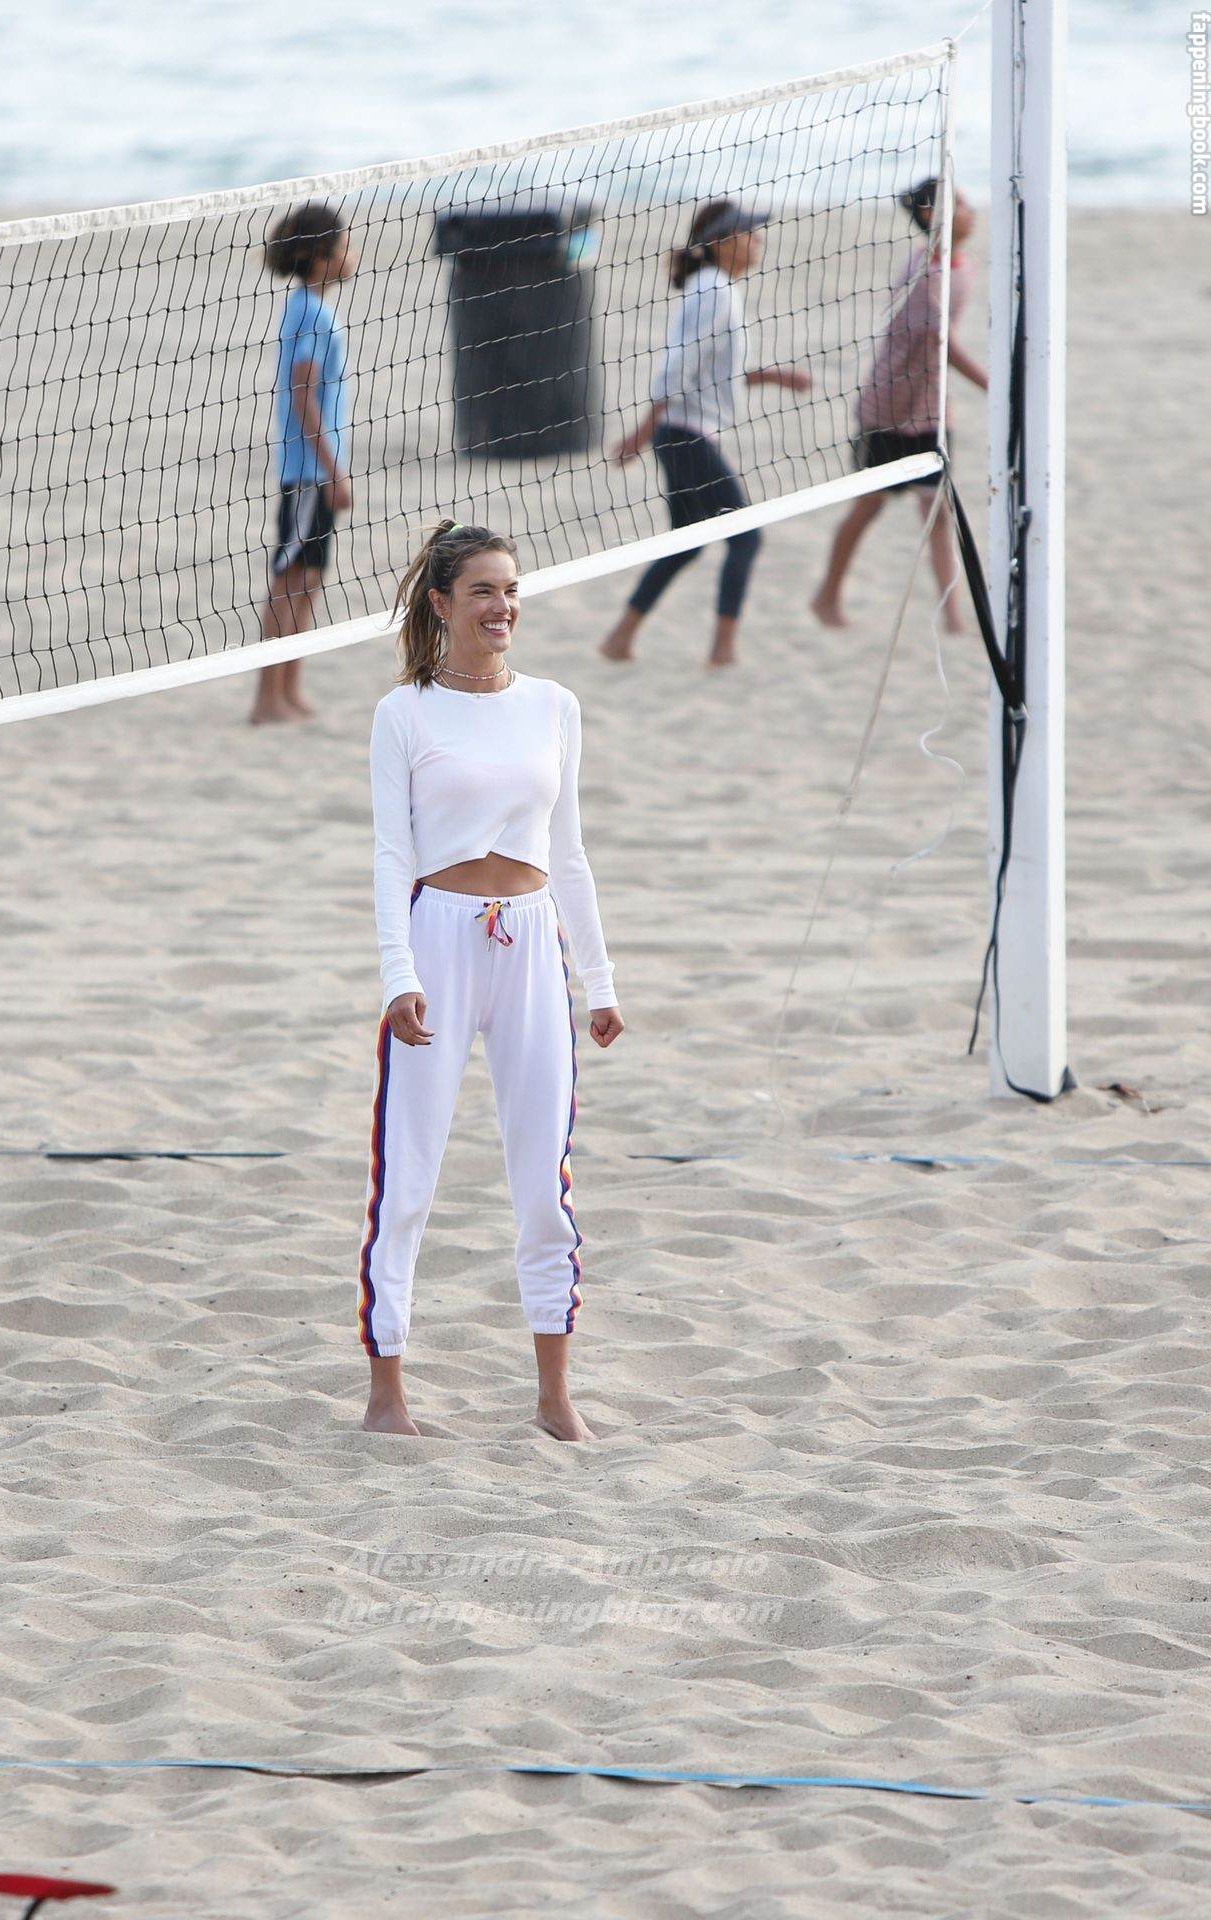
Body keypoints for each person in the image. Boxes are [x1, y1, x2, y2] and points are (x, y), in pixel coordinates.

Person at [361, 520, 625, 1442]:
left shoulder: (554, 705)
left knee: (543, 1181)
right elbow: (391, 855)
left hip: (532, 940)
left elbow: (570, 851)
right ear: (442, 603)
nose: (502, 606)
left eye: (511, 590)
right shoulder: (406, 712)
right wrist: (398, 975)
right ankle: (387, 1395)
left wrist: (600, 982)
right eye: (482, 590)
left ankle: (555, 1397)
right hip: (438, 940)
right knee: (408, 1179)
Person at [598, 200, 811, 670]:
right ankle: (722, 651)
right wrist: (643, 430)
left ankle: (619, 638)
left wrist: (774, 377)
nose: (758, 241)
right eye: (749, 233)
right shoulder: (714, 289)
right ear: (720, 242)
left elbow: (712, 369)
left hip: (684, 431)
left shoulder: (713, 287)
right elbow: (680, 365)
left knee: (688, 541)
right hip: (682, 433)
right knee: (746, 537)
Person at [811, 180, 988, 632]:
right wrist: (992, 385)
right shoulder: (924, 272)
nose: (971, 211)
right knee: (868, 506)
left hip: (931, 410)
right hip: (888, 409)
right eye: (961, 204)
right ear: (932, 215)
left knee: (939, 512)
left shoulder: (961, 266)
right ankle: (827, 595)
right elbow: (940, 342)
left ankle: (952, 615)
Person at [250, 201, 358, 725]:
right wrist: (334, 470)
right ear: (321, 254)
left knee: (310, 579)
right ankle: (267, 699)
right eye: (345, 245)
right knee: (290, 580)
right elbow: (303, 395)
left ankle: (289, 691)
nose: (352, 254)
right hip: (309, 472)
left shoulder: (310, 307)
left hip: (315, 469)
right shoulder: (311, 313)